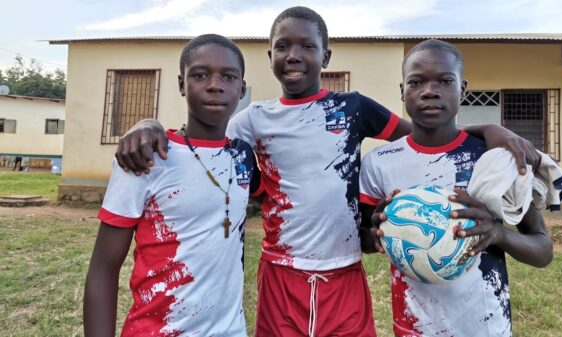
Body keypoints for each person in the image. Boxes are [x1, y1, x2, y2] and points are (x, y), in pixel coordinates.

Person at [114, 7, 540, 337]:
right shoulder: (253, 120)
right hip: (281, 271)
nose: (294, 55)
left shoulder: (354, 108)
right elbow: (202, 139)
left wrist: (488, 129)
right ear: (270, 57)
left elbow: (427, 133)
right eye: (283, 46)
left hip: (344, 269)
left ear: (326, 56)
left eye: (307, 46)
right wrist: (146, 125)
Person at [359, 39, 555, 337]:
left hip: (487, 326)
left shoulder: (495, 160)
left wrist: (498, 233)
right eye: (416, 81)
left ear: (463, 89)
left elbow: (543, 251)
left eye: (445, 80)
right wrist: (378, 235)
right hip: (414, 327)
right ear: (403, 91)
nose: (429, 90)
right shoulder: (379, 163)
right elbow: (361, 238)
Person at [83, 34, 261, 337]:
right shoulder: (147, 157)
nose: (215, 85)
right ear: (182, 84)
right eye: (200, 75)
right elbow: (103, 268)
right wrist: (146, 123)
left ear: (241, 89)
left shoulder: (242, 157)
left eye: (228, 77)